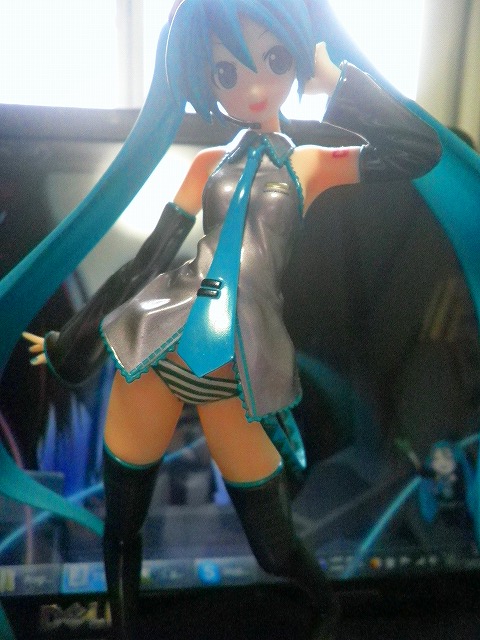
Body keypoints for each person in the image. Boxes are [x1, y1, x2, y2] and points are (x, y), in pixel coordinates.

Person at [22, 0, 441, 637]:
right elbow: (149, 260)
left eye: (274, 59)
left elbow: (417, 151)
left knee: (274, 546)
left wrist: (337, 84)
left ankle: (325, 610)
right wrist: (72, 343)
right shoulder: (205, 165)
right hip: (160, 347)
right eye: (226, 73)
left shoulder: (309, 166)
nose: (252, 87)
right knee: (122, 525)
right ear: (205, 78)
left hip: (236, 367)